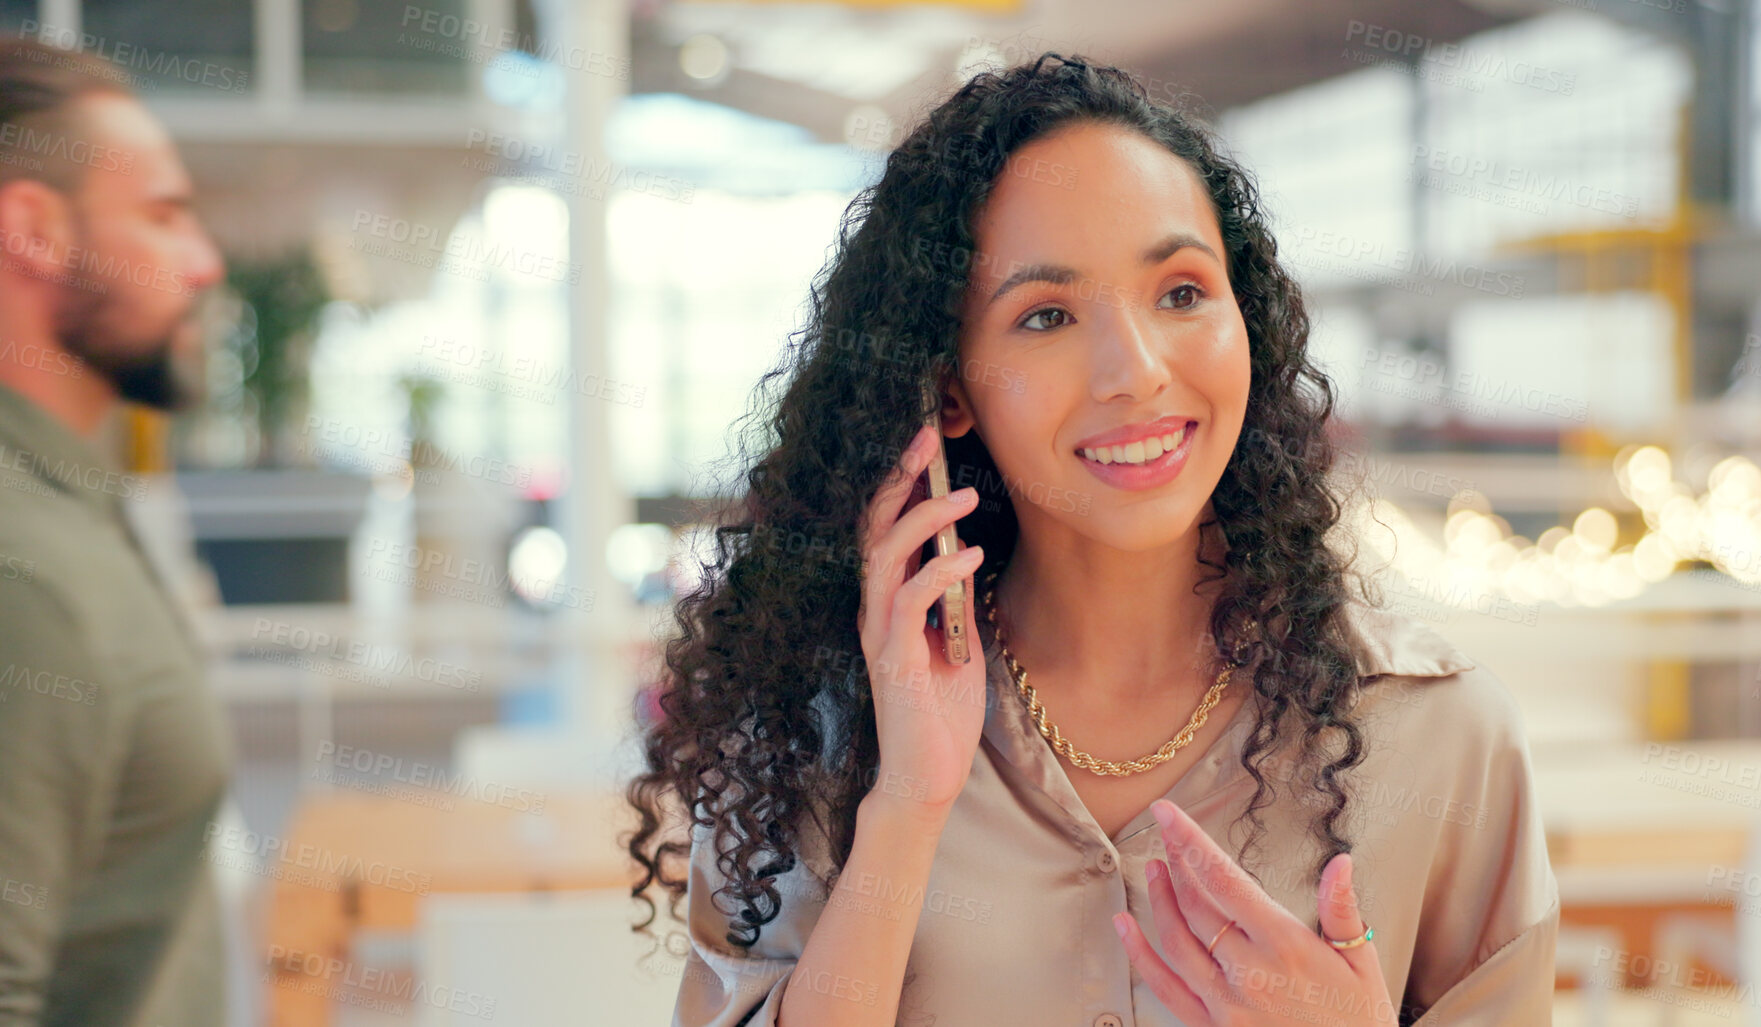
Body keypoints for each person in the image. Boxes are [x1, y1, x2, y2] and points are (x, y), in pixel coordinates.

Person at [628, 52, 1558, 1026]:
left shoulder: (1445, 739)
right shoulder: (811, 732)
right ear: (951, 387)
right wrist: (905, 805)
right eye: (1047, 315)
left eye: (1183, 292)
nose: (1137, 370)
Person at [0, 38, 231, 1027]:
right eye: (162, 214)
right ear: (35, 229)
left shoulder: (68, 504)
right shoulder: (27, 576)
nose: (203, 261)